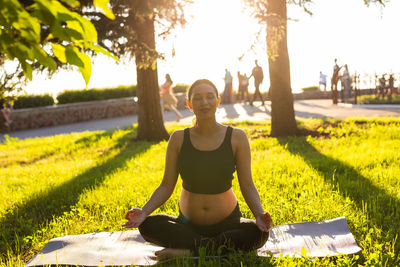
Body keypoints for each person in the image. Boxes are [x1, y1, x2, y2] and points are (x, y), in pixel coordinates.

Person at [123, 79, 272, 260]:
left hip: (227, 223)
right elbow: (166, 185)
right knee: (147, 225)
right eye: (198, 98)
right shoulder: (178, 139)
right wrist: (144, 212)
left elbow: (247, 184)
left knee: (259, 233)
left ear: (218, 101)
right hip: (187, 225)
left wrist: (259, 215)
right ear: (189, 104)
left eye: (210, 97)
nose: (204, 102)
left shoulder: (237, 137)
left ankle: (188, 251)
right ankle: (210, 249)